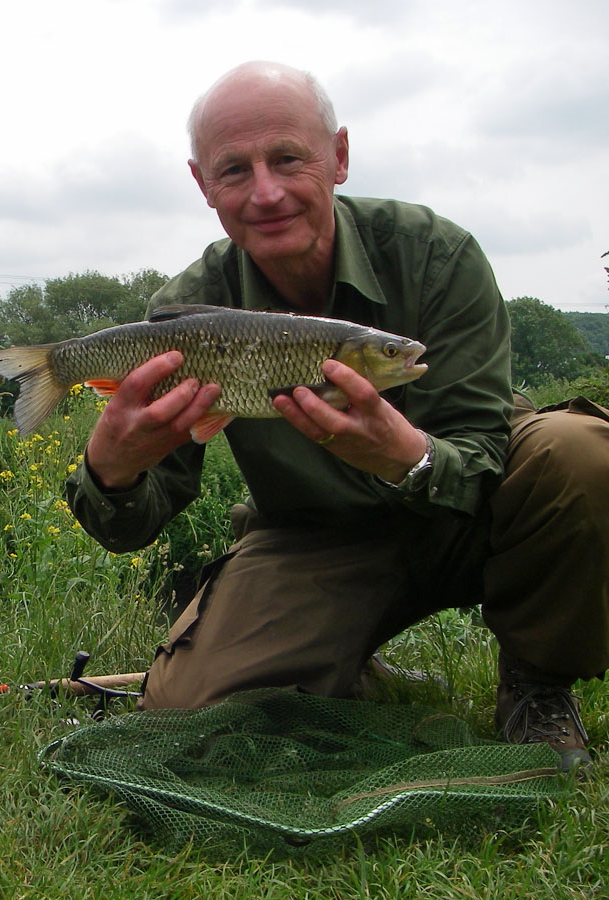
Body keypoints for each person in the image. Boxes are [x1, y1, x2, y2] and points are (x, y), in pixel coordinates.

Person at [65, 60, 609, 771]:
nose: (266, 192)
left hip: (468, 516)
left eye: (288, 158)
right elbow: (134, 524)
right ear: (203, 185)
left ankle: (537, 683)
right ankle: (347, 661)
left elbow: (482, 450)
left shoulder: (435, 256)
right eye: (235, 170)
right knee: (188, 712)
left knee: (580, 450)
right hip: (316, 541)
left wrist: (406, 455)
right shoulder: (188, 309)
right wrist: (112, 473)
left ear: (339, 156)